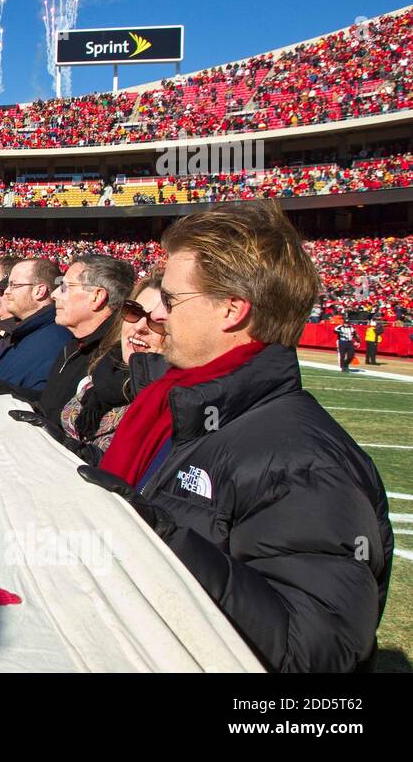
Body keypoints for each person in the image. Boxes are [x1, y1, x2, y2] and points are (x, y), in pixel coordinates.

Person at [79, 201, 392, 672]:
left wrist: (161, 539)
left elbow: (312, 653)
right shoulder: (183, 406)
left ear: (231, 309)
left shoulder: (302, 459)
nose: (157, 315)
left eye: (172, 298)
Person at [50, 271, 167, 464]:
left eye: (157, 321)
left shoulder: (167, 401)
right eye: (134, 312)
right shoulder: (102, 368)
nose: (139, 327)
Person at [7, 254, 135, 422]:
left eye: (65, 287)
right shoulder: (75, 345)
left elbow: (80, 429)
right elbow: (52, 402)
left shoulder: (114, 361)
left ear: (96, 297)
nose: (53, 294)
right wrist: (8, 390)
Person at [0, 258, 73, 393]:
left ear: (39, 291)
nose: (6, 291)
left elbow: (41, 401)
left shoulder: (55, 341)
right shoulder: (26, 330)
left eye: (13, 285)